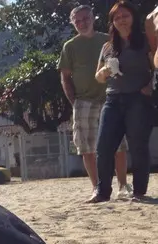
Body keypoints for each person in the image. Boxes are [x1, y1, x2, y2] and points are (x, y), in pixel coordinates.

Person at [58, 4, 132, 201]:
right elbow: (65, 76)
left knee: (118, 145)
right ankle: (97, 188)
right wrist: (74, 101)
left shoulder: (107, 40)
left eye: (86, 18)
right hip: (83, 102)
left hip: (111, 98)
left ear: (93, 18)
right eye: (78, 20)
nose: (83, 23)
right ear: (73, 23)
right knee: (87, 147)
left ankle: (123, 186)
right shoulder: (70, 47)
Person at [90, 0, 154, 203]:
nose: (121, 20)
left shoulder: (147, 41)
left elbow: (157, 66)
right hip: (113, 99)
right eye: (117, 18)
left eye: (125, 16)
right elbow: (98, 77)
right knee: (104, 147)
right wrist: (105, 71)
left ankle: (139, 191)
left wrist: (150, 86)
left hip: (138, 98)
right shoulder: (108, 47)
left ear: (133, 18)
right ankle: (102, 192)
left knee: (138, 146)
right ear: (112, 22)